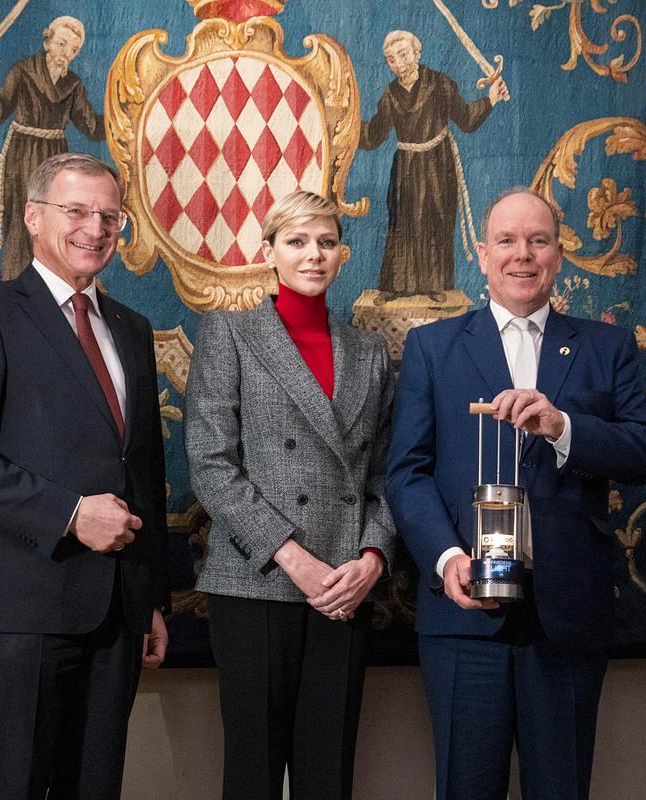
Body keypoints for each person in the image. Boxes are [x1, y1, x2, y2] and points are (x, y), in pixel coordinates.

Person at [385, 188, 646, 799]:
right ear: (481, 255)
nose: (523, 254)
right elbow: (406, 473)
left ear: (559, 256)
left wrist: (563, 427)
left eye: (538, 240)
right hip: (464, 616)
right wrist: (446, 558)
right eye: (507, 241)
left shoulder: (605, 346)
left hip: (566, 616)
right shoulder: (433, 348)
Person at [0, 152, 170, 800]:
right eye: (77, 211)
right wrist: (70, 514)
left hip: (118, 613)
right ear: (34, 217)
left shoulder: (132, 329)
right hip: (24, 607)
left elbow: (143, 468)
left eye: (110, 216)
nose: (96, 227)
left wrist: (152, 599)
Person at [185, 191, 396, 800]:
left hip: (345, 586)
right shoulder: (229, 333)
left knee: (327, 775)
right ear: (269, 252)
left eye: (326, 242)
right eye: (297, 241)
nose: (313, 255)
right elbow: (212, 464)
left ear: (343, 254)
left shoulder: (369, 350)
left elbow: (384, 474)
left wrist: (371, 560)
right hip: (258, 581)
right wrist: (296, 560)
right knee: (252, 772)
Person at [0, 16, 105, 281]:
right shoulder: (23, 71)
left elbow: (92, 128)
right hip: (23, 156)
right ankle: (15, 290)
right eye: (61, 44)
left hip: (56, 161)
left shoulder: (74, 85)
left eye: (73, 49)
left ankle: (54, 293)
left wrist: (123, 114)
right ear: (47, 42)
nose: (65, 53)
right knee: (22, 227)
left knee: (58, 226)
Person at [359, 30, 508, 302]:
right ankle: (394, 286)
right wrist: (345, 124)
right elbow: (372, 135)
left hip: (437, 165)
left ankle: (435, 285)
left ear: (417, 54)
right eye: (391, 59)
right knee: (401, 222)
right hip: (405, 166)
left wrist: (491, 99)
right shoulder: (390, 95)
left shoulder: (439, 84)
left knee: (435, 220)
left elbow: (466, 120)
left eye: (403, 55)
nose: (398, 63)